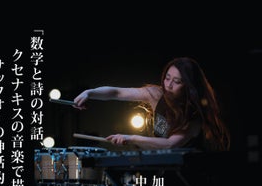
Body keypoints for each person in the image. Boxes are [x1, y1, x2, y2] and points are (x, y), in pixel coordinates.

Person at [72, 56, 230, 152]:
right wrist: (89, 93)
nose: (168, 85)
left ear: (189, 86)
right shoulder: (156, 94)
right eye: (167, 78)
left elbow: (169, 145)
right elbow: (117, 93)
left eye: (177, 82)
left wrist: (132, 138)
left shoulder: (195, 115)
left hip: (190, 175)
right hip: (166, 170)